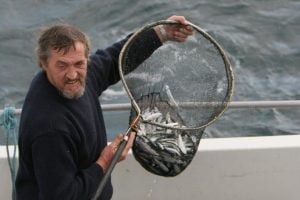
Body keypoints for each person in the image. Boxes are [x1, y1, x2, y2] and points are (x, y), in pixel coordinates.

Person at [15, 15, 193, 200]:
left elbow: (114, 59)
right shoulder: (49, 129)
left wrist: (161, 32)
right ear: (43, 64)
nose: (72, 74)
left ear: (86, 60)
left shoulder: (78, 77)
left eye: (79, 64)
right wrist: (106, 160)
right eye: (62, 65)